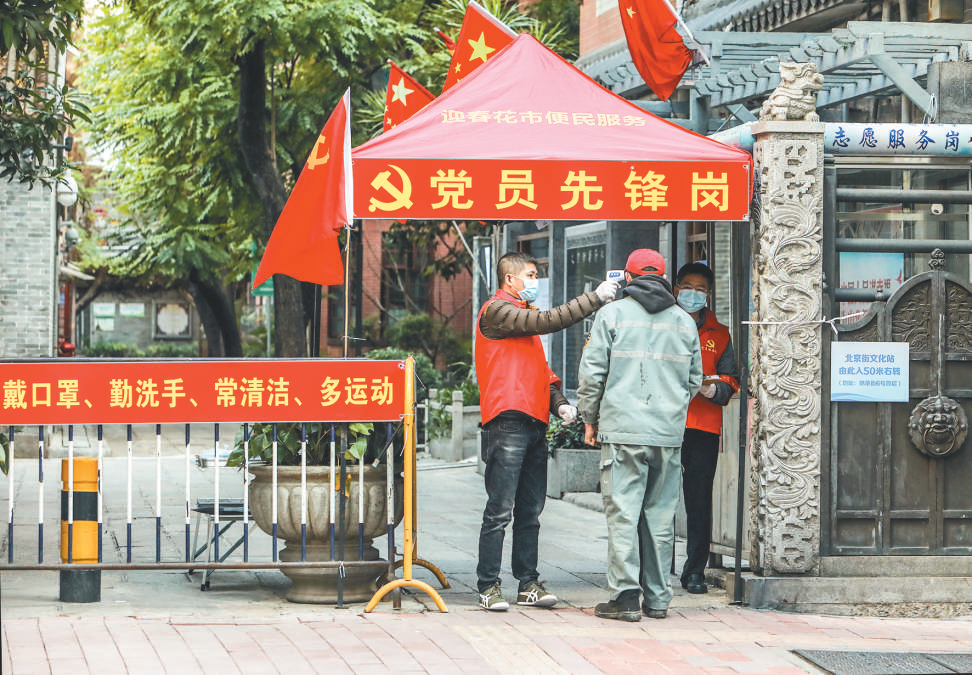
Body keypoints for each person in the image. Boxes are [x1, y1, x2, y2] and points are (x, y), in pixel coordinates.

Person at [475, 251, 619, 611]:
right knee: (499, 510)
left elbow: (544, 374)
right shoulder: (497, 312)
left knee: (530, 510)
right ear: (510, 279)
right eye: (531, 274)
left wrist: (561, 404)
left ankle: (528, 584)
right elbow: (549, 320)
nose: (535, 280)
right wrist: (594, 298)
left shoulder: (523, 325)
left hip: (535, 422)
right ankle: (488, 586)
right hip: (506, 421)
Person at [577, 249, 702, 622]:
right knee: (661, 519)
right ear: (665, 278)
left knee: (623, 514)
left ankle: (626, 597)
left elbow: (592, 373)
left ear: (627, 278)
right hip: (667, 434)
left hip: (623, 431)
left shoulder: (611, 314)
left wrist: (590, 418)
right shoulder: (684, 321)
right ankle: (659, 599)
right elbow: (694, 380)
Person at [673, 262, 739, 595]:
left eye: (700, 290)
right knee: (656, 496)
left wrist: (713, 389)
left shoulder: (720, 333)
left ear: (709, 294)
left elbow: (732, 378)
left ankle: (694, 570)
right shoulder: (662, 324)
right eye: (688, 287)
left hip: (703, 425)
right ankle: (649, 567)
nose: (693, 294)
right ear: (675, 288)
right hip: (664, 422)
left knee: (698, 500)